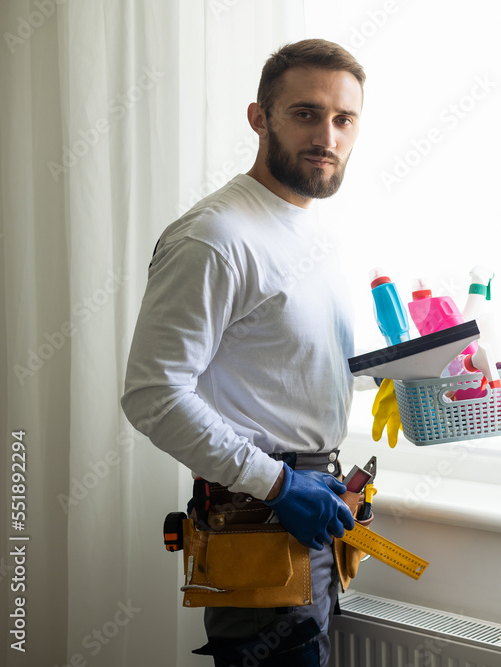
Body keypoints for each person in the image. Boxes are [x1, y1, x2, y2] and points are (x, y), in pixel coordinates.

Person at [121, 38, 366, 667]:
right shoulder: (214, 237)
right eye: (306, 113)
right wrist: (279, 483)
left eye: (344, 119)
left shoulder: (314, 232)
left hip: (316, 504)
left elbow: (287, 371)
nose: (327, 137)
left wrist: (403, 375)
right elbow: (153, 394)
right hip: (258, 513)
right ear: (259, 117)